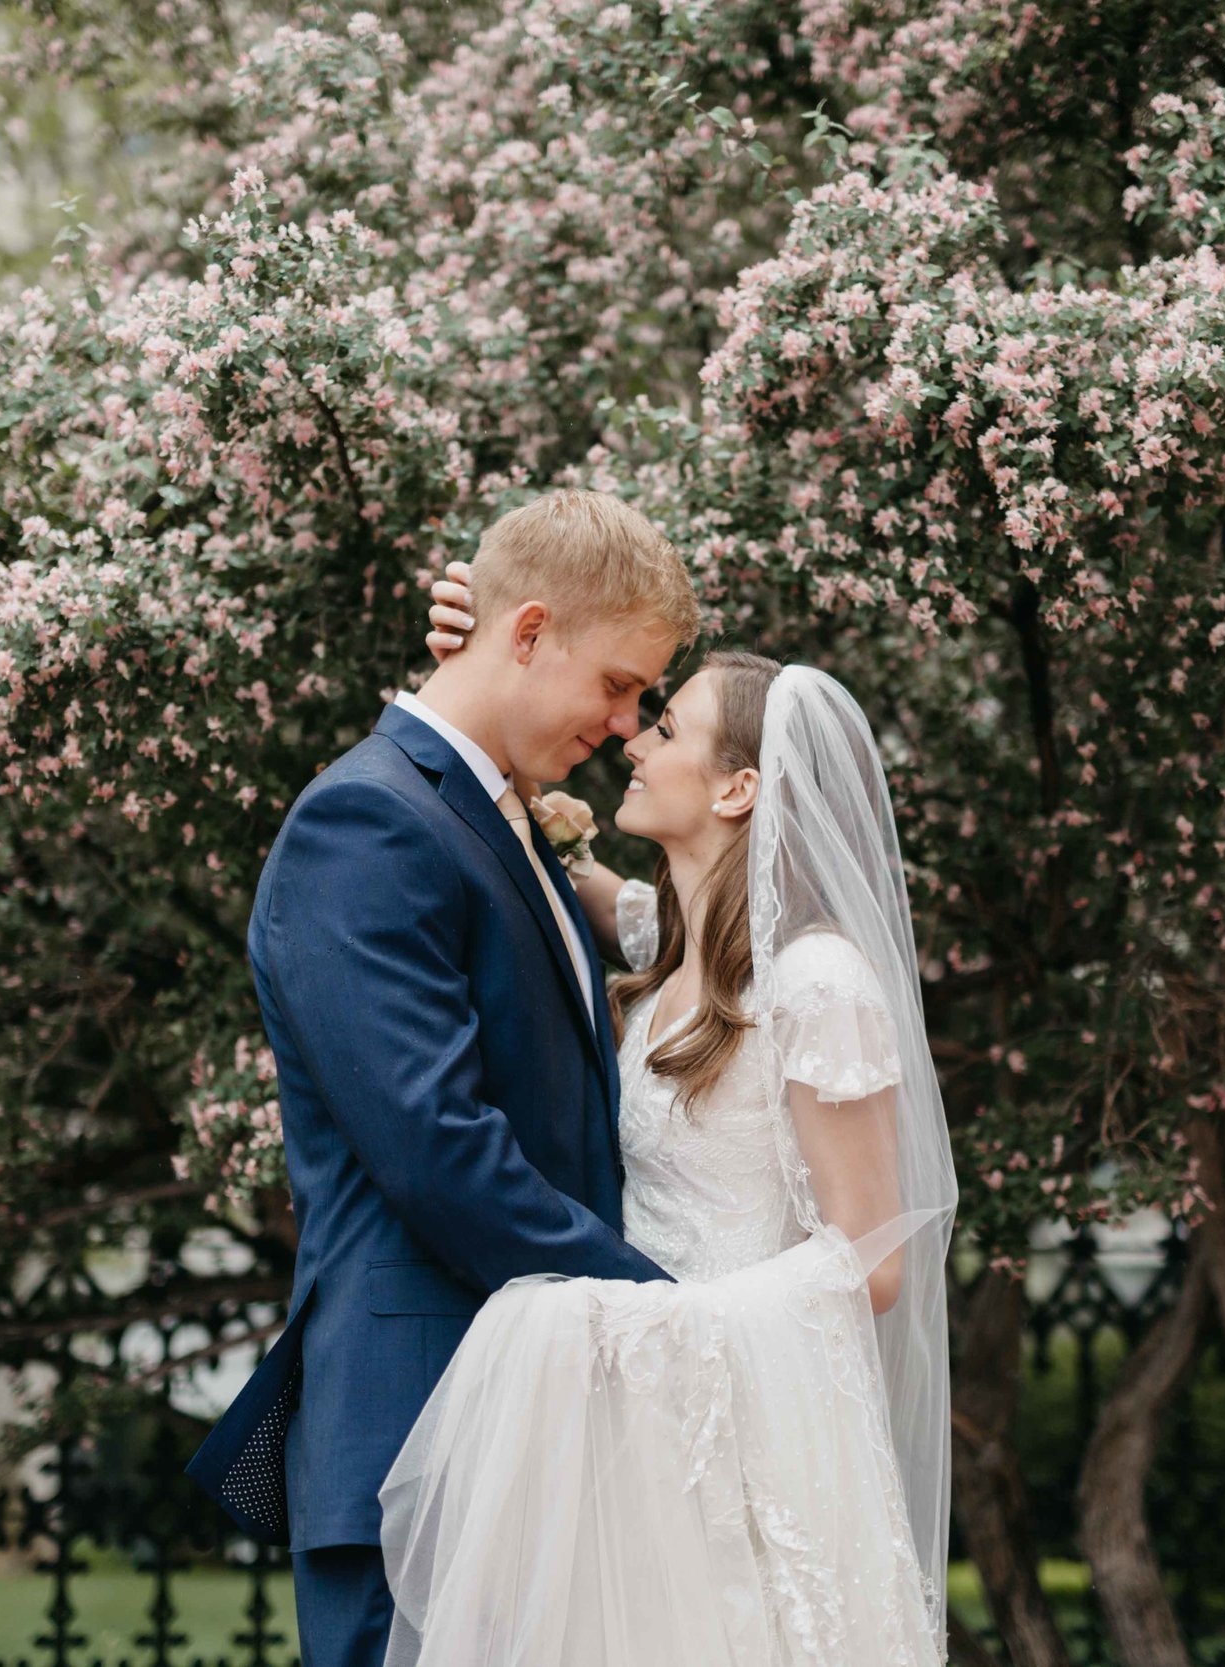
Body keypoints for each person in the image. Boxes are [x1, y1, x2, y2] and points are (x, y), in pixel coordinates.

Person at [372, 570, 957, 1666]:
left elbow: (871, 1257)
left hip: (736, 1414)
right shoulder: (667, 944)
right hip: (636, 1420)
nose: (631, 740)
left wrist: (669, 1327)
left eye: (667, 725)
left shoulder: (815, 980)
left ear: (736, 789)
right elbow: (512, 821)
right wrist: (475, 642)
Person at [183, 490, 702, 1667]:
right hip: (417, 1429)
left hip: (516, 1420)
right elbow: (436, 1143)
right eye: (619, 685)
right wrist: (664, 1310)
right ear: (526, 633)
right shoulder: (367, 821)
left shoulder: (487, 809)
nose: (627, 724)